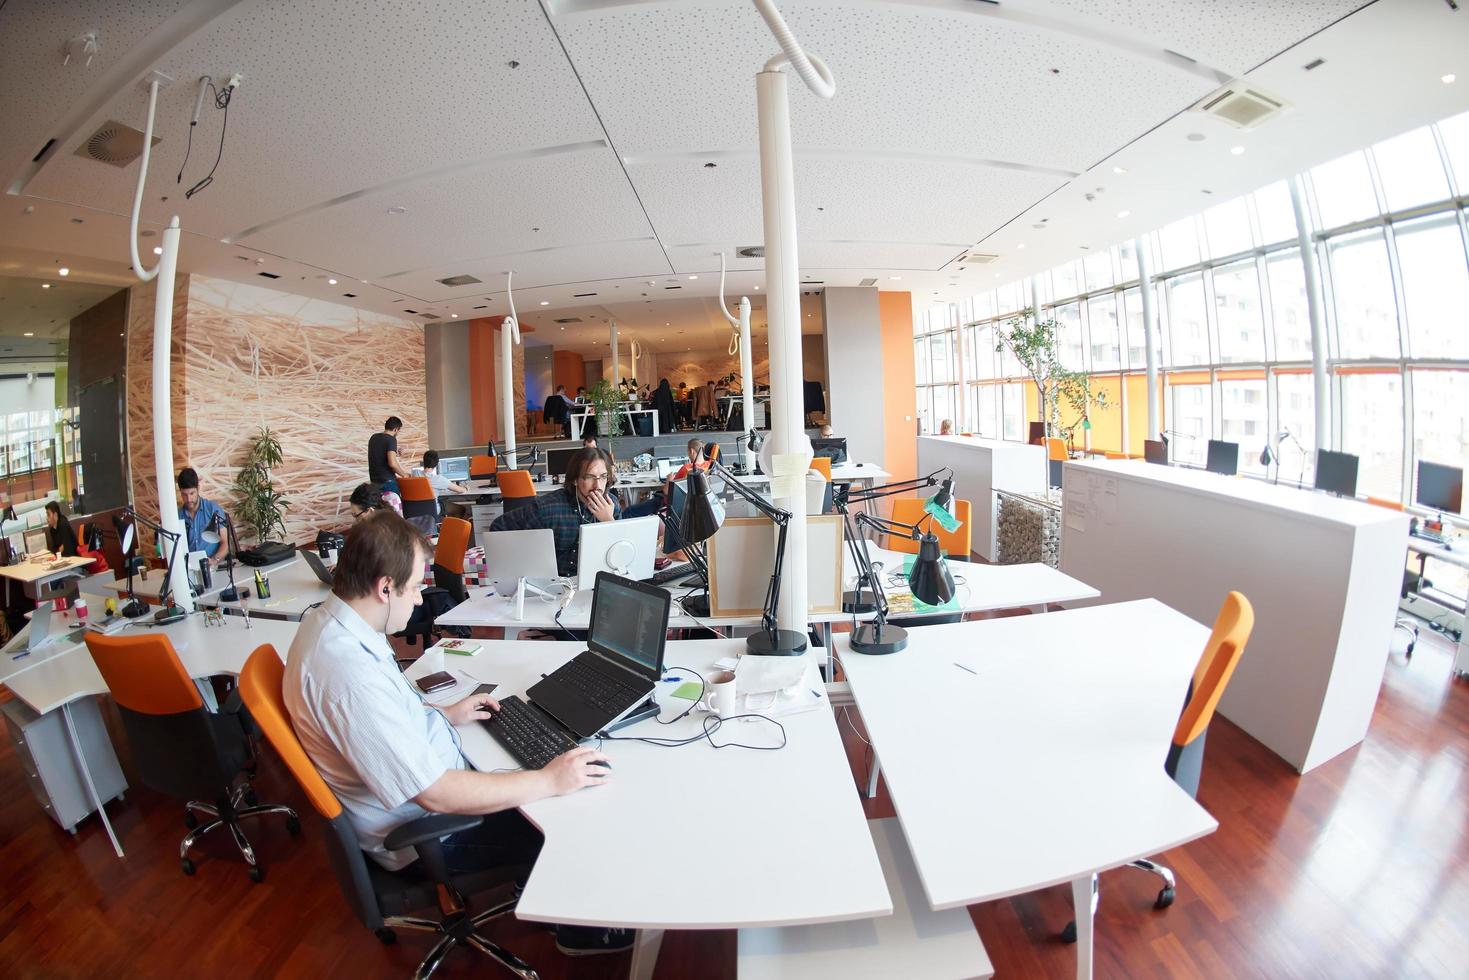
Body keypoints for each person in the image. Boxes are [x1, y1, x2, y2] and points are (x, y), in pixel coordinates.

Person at [283, 511, 630, 957]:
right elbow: (437, 794)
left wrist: (443, 714)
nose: (418, 600)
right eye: (413, 588)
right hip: (430, 832)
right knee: (567, 807)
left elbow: (380, 723)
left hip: (420, 794)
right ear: (384, 587)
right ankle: (579, 931)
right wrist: (549, 780)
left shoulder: (328, 625)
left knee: (531, 769)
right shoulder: (346, 673)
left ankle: (536, 884)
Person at [490, 448, 621, 577]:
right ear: (575, 480)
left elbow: (621, 554)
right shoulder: (547, 508)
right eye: (589, 477)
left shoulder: (611, 506)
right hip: (553, 587)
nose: (598, 485)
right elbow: (498, 528)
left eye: (603, 477)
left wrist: (608, 522)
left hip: (592, 581)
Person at [176, 467, 228, 566]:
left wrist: (214, 560)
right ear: (180, 492)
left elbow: (225, 544)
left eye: (192, 493)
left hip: (212, 565)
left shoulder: (213, 510)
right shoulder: (178, 516)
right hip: (189, 567)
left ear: (198, 489)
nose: (189, 499)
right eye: (184, 495)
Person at [367, 416, 411, 495]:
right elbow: (392, 463)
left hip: (374, 482)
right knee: (393, 507)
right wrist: (404, 474)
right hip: (387, 482)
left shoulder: (373, 437)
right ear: (395, 429)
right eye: (399, 431)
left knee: (380, 507)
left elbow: (379, 454)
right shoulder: (391, 439)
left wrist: (396, 452)